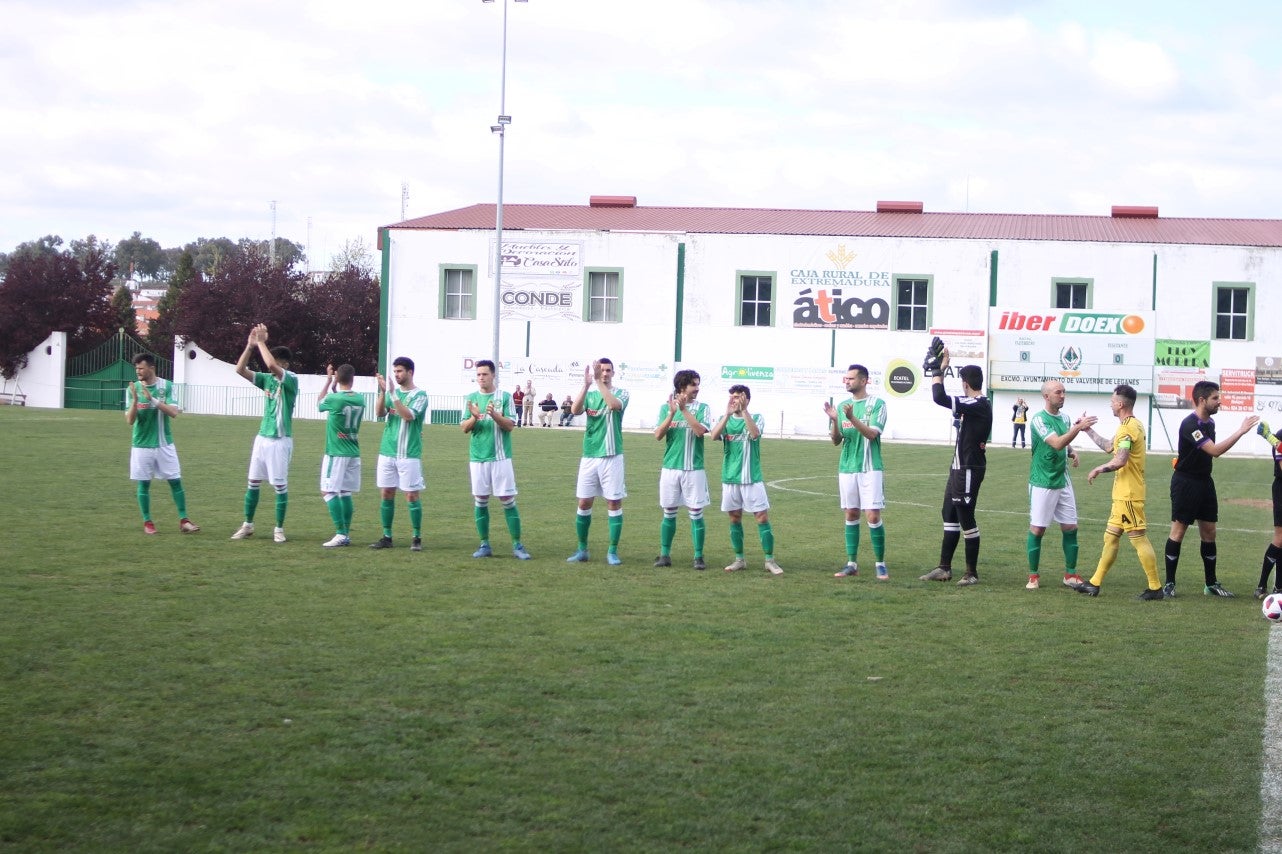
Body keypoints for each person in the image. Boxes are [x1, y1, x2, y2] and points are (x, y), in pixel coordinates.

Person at [1162, 380, 1260, 597]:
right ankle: (1169, 584)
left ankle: (1211, 584)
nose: (1219, 401)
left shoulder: (1210, 424)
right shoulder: (1190, 425)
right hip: (1185, 483)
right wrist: (1241, 431)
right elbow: (1214, 451)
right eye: (1215, 398)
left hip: (1205, 482)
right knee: (1178, 532)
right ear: (1201, 400)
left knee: (1209, 533)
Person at [1073, 384, 1164, 599]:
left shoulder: (1127, 428)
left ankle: (1155, 587)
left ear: (1120, 404)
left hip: (1129, 495)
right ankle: (1094, 583)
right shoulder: (1132, 425)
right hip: (1123, 495)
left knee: (1138, 538)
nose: (1110, 404)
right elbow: (1108, 447)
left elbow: (1121, 459)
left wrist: (1099, 468)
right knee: (1110, 538)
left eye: (1112, 401)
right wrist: (1087, 430)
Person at [919, 345, 992, 586]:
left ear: (965, 383)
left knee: (965, 516)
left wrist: (937, 371)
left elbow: (939, 397)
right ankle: (944, 568)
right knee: (948, 513)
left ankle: (971, 573)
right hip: (959, 467)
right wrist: (943, 366)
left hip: (969, 468)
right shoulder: (973, 403)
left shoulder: (978, 403)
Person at [1024, 380, 1096, 589]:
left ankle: (1070, 575)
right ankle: (1033, 576)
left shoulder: (1064, 418)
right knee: (1037, 530)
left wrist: (1071, 451)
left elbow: (1064, 442)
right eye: (1058, 392)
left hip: (1062, 480)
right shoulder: (1038, 420)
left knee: (1071, 527)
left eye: (1064, 392)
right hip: (1042, 482)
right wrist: (1078, 428)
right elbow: (1055, 443)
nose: (1063, 395)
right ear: (1047, 396)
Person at [230, 324, 297, 543]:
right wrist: (250, 347)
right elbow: (239, 370)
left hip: (280, 441)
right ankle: (247, 525)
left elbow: (269, 362)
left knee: (279, 486)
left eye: (277, 364)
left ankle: (278, 528)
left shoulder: (291, 379)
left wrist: (261, 341)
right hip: (262, 439)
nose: (271, 368)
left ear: (284, 365)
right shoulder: (267, 379)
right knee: (253, 482)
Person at [824, 364, 888, 580]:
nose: (847, 382)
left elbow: (871, 434)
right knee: (851, 513)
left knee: (872, 514)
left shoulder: (877, 404)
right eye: (846, 379)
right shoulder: (842, 406)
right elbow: (835, 441)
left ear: (864, 380)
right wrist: (834, 420)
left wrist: (851, 418)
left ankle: (880, 563)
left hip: (870, 468)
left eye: (851, 379)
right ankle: (852, 563)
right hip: (847, 468)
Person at [462, 360, 531, 560]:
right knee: (481, 501)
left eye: (485, 374)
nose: (481, 378)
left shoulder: (505, 397)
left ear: (493, 376)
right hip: (478, 458)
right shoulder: (472, 399)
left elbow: (510, 425)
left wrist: (494, 416)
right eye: (478, 374)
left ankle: (518, 545)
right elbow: (464, 428)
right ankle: (484, 544)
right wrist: (475, 417)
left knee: (508, 500)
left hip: (500, 458)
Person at [711, 384, 782, 575]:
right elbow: (713, 436)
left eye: (739, 397)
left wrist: (744, 411)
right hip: (730, 478)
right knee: (734, 518)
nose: (735, 400)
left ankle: (769, 560)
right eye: (732, 397)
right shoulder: (723, 419)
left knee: (761, 517)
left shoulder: (756, 417)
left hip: (752, 478)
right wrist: (726, 415)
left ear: (747, 399)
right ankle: (739, 559)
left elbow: (754, 434)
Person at [125, 353, 199, 534]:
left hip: (164, 444)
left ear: (151, 368)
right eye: (136, 368)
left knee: (175, 481)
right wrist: (135, 401)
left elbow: (174, 412)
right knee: (143, 484)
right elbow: (129, 421)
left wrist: (152, 399)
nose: (138, 371)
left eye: (141, 368)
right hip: (141, 445)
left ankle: (184, 520)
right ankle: (148, 523)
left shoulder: (166, 386)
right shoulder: (132, 389)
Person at [567, 357, 630, 565]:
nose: (604, 373)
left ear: (613, 373)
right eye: (601, 370)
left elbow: (613, 406)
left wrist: (598, 383)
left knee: (613, 502)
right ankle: (582, 549)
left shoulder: (621, 393)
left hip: (612, 456)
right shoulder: (591, 394)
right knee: (584, 502)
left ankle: (612, 551)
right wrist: (586, 386)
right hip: (590, 456)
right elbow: (574, 411)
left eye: (608, 370)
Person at [653, 369, 712, 570]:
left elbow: (699, 431)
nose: (697, 388)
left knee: (696, 512)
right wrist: (671, 413)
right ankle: (664, 554)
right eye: (693, 384)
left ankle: (698, 557)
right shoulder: (665, 407)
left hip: (694, 469)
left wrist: (684, 409)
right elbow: (658, 435)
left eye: (697, 384)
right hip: (670, 468)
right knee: (668, 511)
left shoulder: (703, 408)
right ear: (682, 387)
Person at [369, 356, 428, 552]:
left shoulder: (420, 395)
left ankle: (416, 536)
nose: (396, 375)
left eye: (400, 371)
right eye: (394, 372)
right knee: (386, 493)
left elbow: (408, 416)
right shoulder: (390, 393)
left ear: (410, 372)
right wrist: (383, 391)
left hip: (408, 453)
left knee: (411, 495)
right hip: (387, 451)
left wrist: (393, 394)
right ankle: (386, 536)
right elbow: (378, 413)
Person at [318, 363, 365, 548]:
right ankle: (345, 534)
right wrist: (335, 385)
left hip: (336, 451)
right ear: (353, 378)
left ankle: (341, 532)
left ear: (338, 377)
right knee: (345, 492)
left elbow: (320, 404)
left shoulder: (333, 399)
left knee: (328, 491)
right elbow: (341, 398)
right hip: (353, 450)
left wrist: (329, 381)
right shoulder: (360, 399)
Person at [1255, 421, 1282, 598]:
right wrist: (1274, 441)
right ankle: (1261, 585)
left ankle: (1279, 587)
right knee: (1280, 539)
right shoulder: (1279, 437)